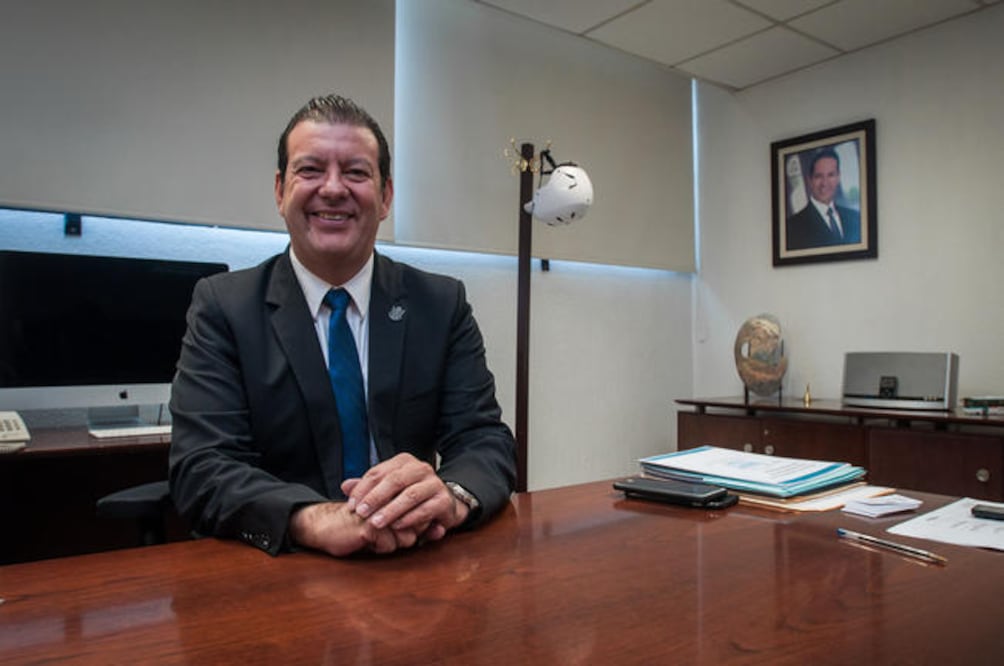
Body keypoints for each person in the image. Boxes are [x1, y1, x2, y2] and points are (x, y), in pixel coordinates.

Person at [168, 94, 517, 557]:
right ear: (280, 190)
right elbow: (203, 466)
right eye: (310, 170)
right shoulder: (223, 307)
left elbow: (484, 439)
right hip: (278, 569)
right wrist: (312, 519)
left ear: (386, 195)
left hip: (413, 560)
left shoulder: (440, 303)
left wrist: (450, 498)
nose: (333, 189)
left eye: (356, 172)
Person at [785, 147, 861, 250]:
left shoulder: (855, 218)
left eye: (831, 175)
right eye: (818, 176)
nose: (824, 183)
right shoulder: (792, 227)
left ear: (838, 177)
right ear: (810, 180)